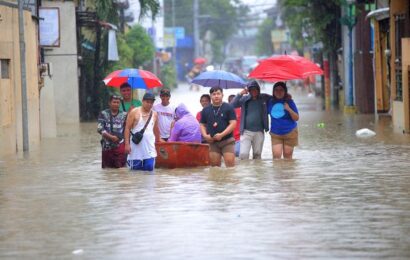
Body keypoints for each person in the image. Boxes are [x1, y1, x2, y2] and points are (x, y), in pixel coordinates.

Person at [231, 80, 271, 160]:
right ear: (248, 91)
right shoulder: (244, 99)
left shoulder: (264, 97)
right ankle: (245, 172)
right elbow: (232, 105)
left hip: (259, 131)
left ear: (258, 89)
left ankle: (256, 171)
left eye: (255, 89)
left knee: (257, 154)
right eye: (251, 89)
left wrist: (286, 96)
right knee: (243, 154)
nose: (254, 91)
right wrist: (240, 93)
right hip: (246, 131)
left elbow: (276, 98)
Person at [200, 86, 237, 167]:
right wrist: (205, 136)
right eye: (214, 94)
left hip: (227, 141)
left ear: (222, 95)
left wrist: (221, 135)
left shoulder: (229, 107)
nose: (216, 96)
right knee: (215, 167)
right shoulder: (205, 110)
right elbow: (202, 124)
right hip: (212, 142)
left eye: (218, 94)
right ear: (210, 96)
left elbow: (233, 123)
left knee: (230, 166)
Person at [124, 92, 160, 171]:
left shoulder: (155, 114)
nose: (149, 104)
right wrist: (127, 144)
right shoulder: (134, 112)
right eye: (147, 102)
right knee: (135, 174)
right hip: (135, 150)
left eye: (151, 102)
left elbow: (156, 130)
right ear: (143, 101)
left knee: (150, 172)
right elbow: (127, 128)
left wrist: (158, 142)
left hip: (150, 150)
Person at [267, 81, 299, 159]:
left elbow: (296, 118)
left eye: (281, 90)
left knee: (288, 157)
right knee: (276, 156)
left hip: (290, 132)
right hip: (276, 133)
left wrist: (288, 109)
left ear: (285, 91)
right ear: (273, 92)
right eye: (276, 90)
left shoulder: (289, 102)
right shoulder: (270, 102)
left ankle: (287, 171)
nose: (279, 92)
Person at [97, 95, 128, 168]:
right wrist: (111, 137)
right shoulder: (103, 114)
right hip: (107, 147)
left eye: (118, 102)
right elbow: (100, 129)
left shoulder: (124, 115)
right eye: (114, 102)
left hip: (120, 147)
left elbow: (127, 129)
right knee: (107, 171)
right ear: (109, 103)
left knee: (121, 171)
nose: (116, 104)